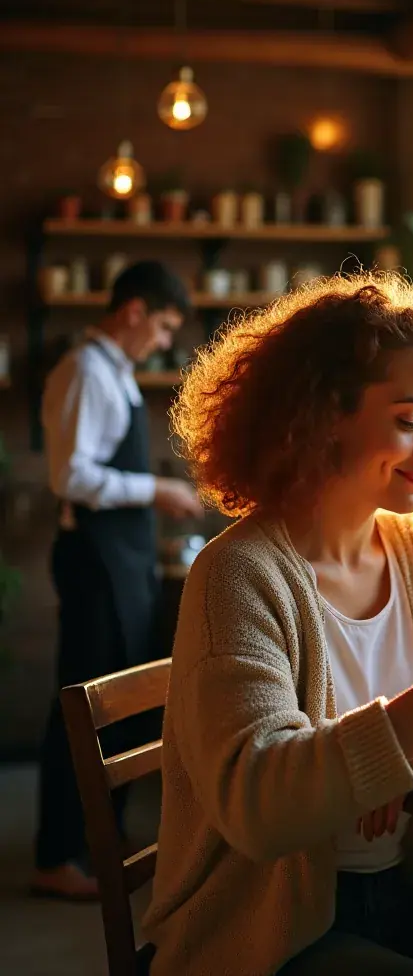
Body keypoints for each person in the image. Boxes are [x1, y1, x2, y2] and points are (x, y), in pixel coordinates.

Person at [142, 273, 413, 976]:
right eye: (410, 420)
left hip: (411, 895)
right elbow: (262, 805)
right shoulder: (239, 575)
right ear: (320, 415)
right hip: (265, 933)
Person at [33, 261, 203, 901]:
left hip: (122, 558)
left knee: (121, 703)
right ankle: (57, 856)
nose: (163, 341)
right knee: (80, 708)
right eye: (161, 326)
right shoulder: (83, 372)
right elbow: (70, 477)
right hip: (94, 562)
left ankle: (96, 843)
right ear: (133, 310)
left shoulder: (114, 374)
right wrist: (157, 490)